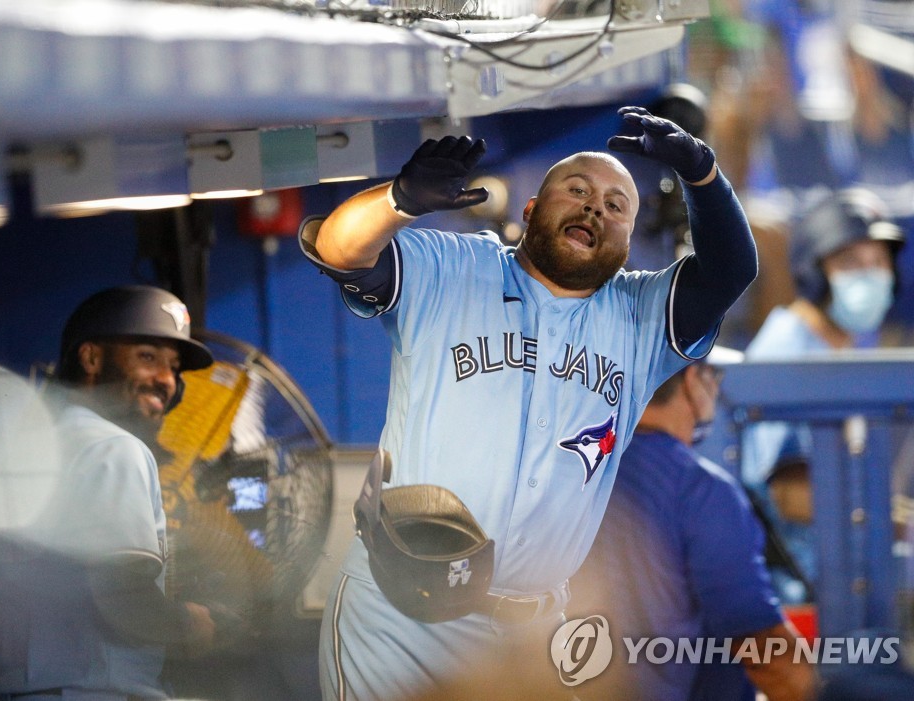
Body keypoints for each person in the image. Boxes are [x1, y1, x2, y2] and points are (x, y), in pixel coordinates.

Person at [300, 105, 758, 700]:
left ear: (626, 241)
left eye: (617, 205)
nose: (596, 205)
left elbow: (730, 272)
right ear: (533, 211)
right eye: (577, 189)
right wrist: (399, 201)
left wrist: (703, 177)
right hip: (399, 616)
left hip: (532, 631)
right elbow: (338, 249)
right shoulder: (450, 267)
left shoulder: (641, 315)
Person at [0, 285, 218, 701]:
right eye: (148, 357)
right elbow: (121, 596)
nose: (167, 380)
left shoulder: (28, 442)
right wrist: (190, 624)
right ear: (90, 357)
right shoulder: (113, 448)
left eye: (174, 368)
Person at [565, 346, 818, 701]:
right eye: (711, 378)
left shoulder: (573, 473)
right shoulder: (699, 490)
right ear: (691, 381)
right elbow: (768, 658)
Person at [741, 188, 906, 602]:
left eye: (878, 260)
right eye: (851, 262)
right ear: (814, 271)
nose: (870, 274)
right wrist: (878, 515)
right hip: (791, 596)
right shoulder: (787, 350)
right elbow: (785, 494)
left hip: (829, 585)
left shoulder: (832, 348)